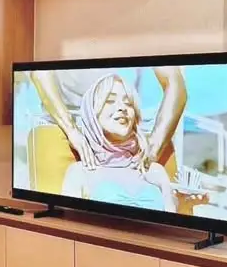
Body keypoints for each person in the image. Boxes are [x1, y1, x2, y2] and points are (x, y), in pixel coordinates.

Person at [61, 74, 177, 213]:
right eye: (110, 101)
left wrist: (188, 205)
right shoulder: (80, 172)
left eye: (128, 103)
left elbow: (172, 226)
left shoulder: (155, 171)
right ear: (92, 114)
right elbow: (69, 224)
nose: (122, 108)